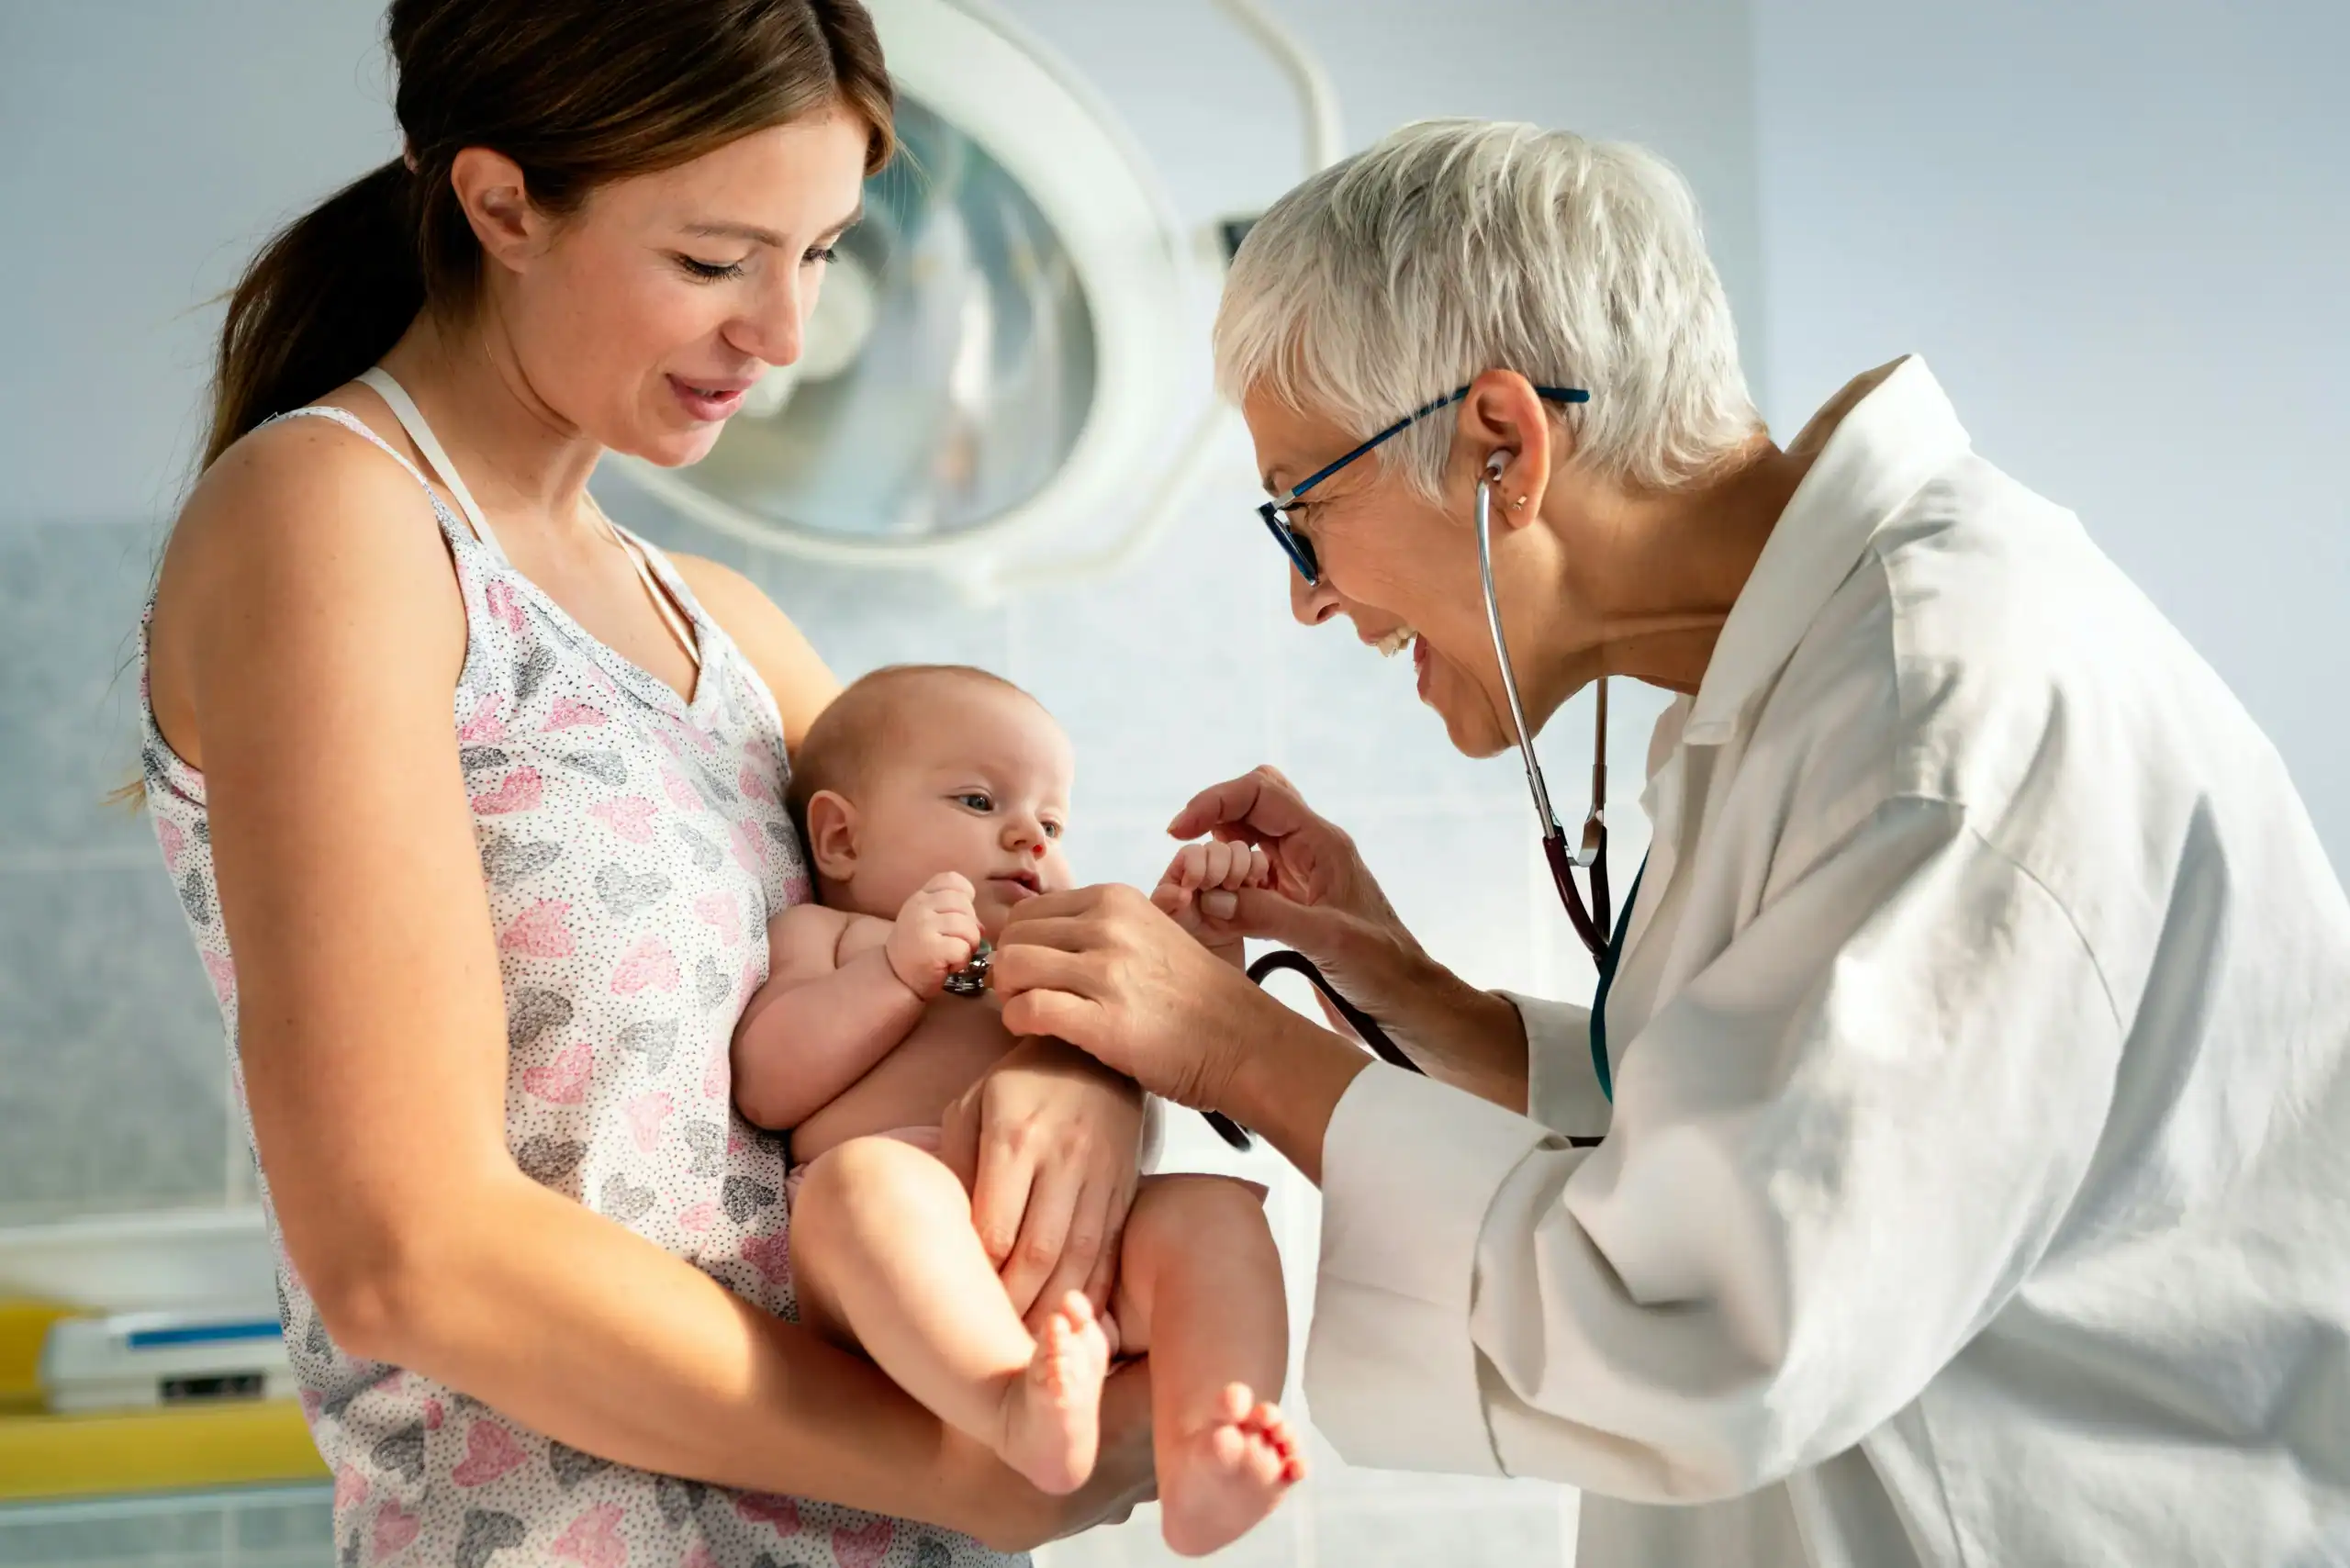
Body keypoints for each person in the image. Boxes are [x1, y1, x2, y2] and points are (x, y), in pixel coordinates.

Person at [990, 118, 2350, 1567]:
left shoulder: (1948, 725)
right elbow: (1759, 1116)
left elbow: (1718, 1322)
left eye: (1304, 516)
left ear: (1501, 445)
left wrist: (1238, 1048)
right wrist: (1425, 1004)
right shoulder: (1807, 679)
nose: (1310, 602)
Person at [138, 3, 1157, 1563]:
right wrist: (965, 1467)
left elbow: (1014, 959)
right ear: (501, 206)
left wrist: (1079, 1077)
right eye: (715, 260)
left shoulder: (731, 632)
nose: (788, 333)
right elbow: (412, 1254)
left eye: (819, 252)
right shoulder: (331, 524)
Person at [733, 664, 1302, 1556]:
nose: (1028, 837)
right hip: (905, 1249)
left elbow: (1181, 1045)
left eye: (1052, 821)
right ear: (841, 838)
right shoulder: (832, 936)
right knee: (860, 1184)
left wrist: (1202, 943)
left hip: (1093, 1238)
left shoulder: (1052, 943)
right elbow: (765, 1083)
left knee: (1216, 1209)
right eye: (977, 799)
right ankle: (1007, 1403)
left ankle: (1207, 1440)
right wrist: (891, 976)